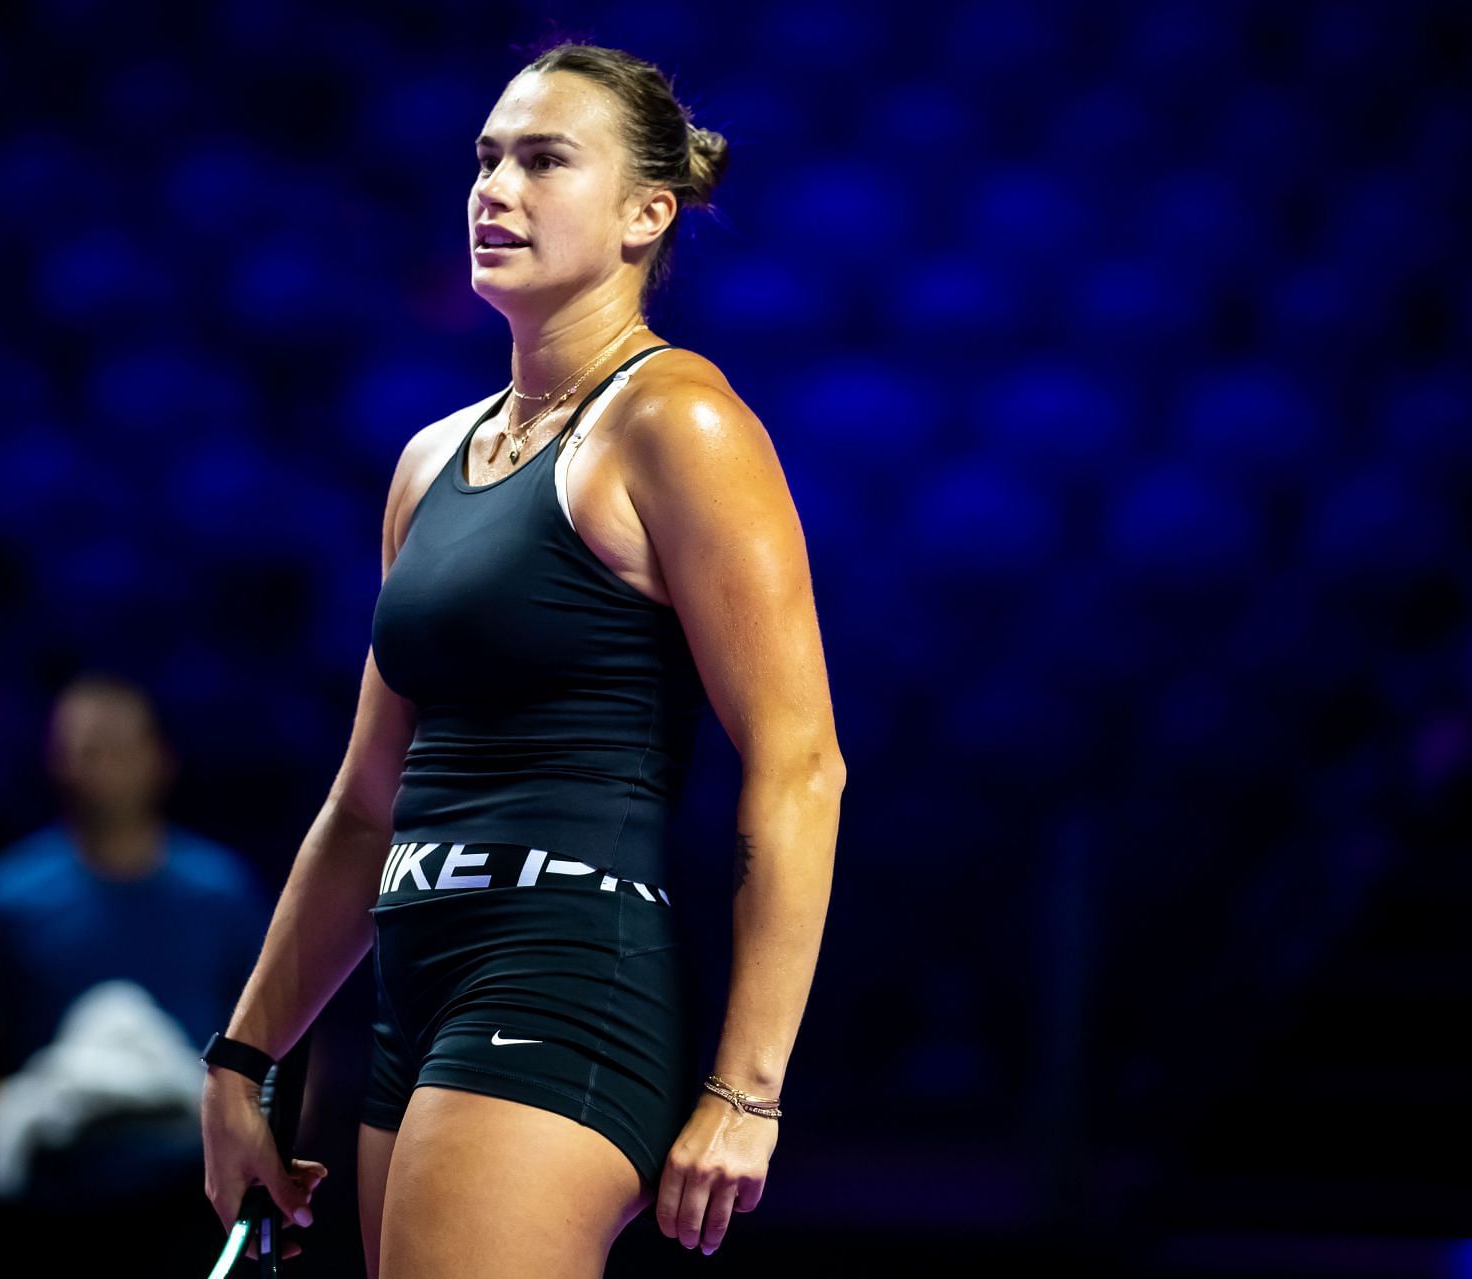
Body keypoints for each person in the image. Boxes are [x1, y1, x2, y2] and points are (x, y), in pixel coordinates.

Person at [199, 41, 843, 1278]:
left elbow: (801, 764)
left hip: (563, 972)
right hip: (418, 979)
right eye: (487, 159)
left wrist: (747, 1089)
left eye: (546, 160)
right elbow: (364, 802)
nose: (496, 188)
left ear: (647, 213)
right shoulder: (429, 462)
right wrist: (245, 1055)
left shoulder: (679, 422)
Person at [0, 674, 270, 1221]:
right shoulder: (2, 899)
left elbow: (286, 1037)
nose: (101, 766)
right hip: (53, 1198)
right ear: (54, 762)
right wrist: (6, 1120)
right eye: (83, 749)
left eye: (118, 746)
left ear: (161, 758)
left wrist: (264, 1146)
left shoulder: (223, 893)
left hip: (189, 1192)